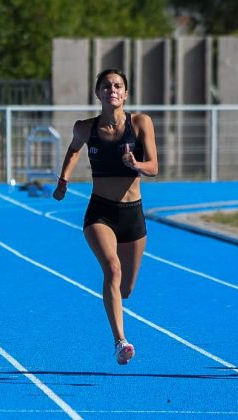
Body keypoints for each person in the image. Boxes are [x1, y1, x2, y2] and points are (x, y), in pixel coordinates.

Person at [52, 68, 158, 365]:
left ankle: (116, 308)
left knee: (126, 288)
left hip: (132, 213)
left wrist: (136, 164)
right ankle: (120, 342)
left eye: (118, 86)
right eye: (106, 86)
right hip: (100, 211)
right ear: (98, 93)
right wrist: (63, 180)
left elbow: (154, 167)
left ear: (125, 94)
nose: (112, 89)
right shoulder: (85, 128)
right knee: (112, 269)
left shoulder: (140, 123)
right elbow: (73, 151)